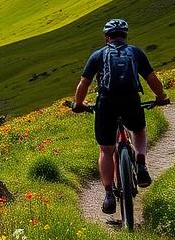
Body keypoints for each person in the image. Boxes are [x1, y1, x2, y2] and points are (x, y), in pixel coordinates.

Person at [72, 18, 169, 215]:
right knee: (138, 130)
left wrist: (79, 104)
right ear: (125, 36)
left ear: (106, 37)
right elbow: (152, 78)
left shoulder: (98, 55)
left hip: (106, 103)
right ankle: (141, 162)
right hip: (130, 100)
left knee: (106, 150)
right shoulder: (135, 52)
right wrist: (161, 97)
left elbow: (84, 83)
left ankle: (108, 195)